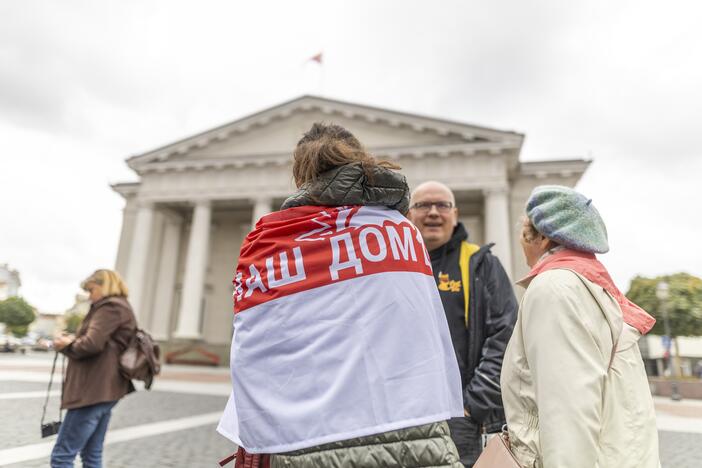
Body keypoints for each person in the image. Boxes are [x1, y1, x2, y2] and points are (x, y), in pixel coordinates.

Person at [217, 123, 465, 467]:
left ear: (302, 175)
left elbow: (253, 354)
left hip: (310, 437)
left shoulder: (271, 241)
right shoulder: (403, 230)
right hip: (413, 428)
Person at [501, 185, 659, 467]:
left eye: (524, 233)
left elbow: (568, 414)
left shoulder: (554, 289)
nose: (520, 242)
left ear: (543, 237)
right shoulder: (588, 287)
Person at [407, 181, 518, 467]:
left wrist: (472, 407)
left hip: (462, 420)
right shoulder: (396, 265)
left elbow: (504, 337)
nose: (433, 212)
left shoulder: (481, 264)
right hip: (405, 418)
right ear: (408, 215)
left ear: (455, 214)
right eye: (423, 205)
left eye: (442, 205)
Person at [51, 269, 136, 468]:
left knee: (62, 456)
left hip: (92, 390)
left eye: (91, 289)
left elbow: (91, 344)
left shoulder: (109, 308)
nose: (90, 295)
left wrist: (66, 344)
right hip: (105, 389)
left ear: (104, 285)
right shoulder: (121, 307)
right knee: (91, 454)